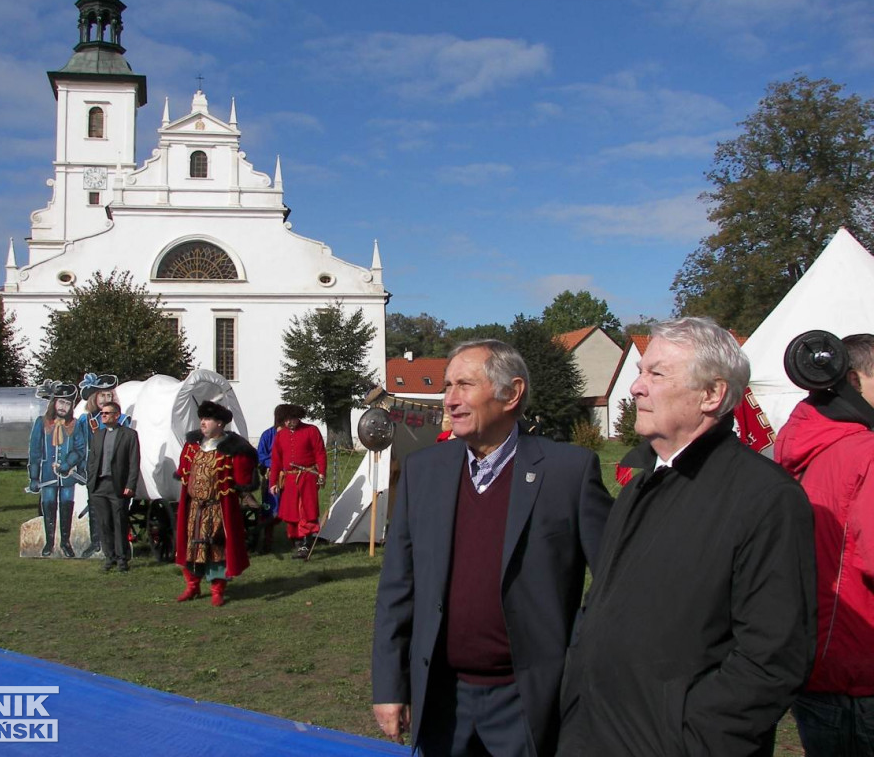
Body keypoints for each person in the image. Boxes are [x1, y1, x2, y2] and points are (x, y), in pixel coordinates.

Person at [557, 317, 817, 757]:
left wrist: (692, 737)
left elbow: (773, 658)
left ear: (712, 394)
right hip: (593, 735)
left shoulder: (766, 497)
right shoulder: (641, 484)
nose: (637, 388)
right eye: (640, 372)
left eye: (655, 373)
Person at [372, 339, 613, 757]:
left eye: (464, 385)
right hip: (443, 699)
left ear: (511, 393)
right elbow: (398, 587)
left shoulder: (567, 472)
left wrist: (575, 650)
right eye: (447, 386)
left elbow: (618, 578)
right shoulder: (423, 471)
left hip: (527, 700)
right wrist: (390, 685)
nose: (450, 400)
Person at [775, 333, 874, 756]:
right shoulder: (866, 452)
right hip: (860, 672)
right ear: (853, 378)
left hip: (811, 662)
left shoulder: (799, 443)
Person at [174, 401, 257, 606]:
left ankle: (217, 589)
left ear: (220, 423)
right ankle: (192, 586)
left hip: (218, 509)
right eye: (202, 419)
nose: (203, 423)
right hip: (193, 508)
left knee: (216, 549)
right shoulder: (192, 445)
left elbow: (244, 479)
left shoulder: (232, 450)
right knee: (190, 547)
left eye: (208, 419)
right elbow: (183, 472)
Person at [28, 381, 86, 558]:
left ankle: (65, 542)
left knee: (67, 505)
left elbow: (80, 449)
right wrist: (33, 477)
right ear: (54, 403)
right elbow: (35, 451)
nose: (63, 407)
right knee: (49, 505)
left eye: (67, 403)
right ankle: (50, 542)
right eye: (61, 402)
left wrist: (68, 464)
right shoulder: (41, 422)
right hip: (47, 475)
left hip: (67, 477)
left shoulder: (75, 425)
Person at [77, 372, 131, 558]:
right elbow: (81, 444)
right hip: (94, 473)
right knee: (96, 511)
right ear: (95, 397)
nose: (106, 398)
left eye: (110, 395)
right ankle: (97, 542)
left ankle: (120, 554)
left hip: (114, 475)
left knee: (117, 517)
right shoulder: (86, 420)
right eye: (103, 395)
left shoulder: (123, 422)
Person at [85, 401, 141, 573]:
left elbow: (134, 462)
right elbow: (92, 460)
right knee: (104, 523)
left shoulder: (129, 435)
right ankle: (109, 557)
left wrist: (130, 484)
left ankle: (122, 559)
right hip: (98, 486)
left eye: (107, 413)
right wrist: (90, 482)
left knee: (119, 522)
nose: (103, 416)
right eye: (102, 413)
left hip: (117, 485)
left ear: (117, 415)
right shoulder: (97, 435)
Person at [268, 404, 327, 559]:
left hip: (307, 477)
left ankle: (306, 542)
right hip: (289, 479)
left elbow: (320, 453)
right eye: (285, 420)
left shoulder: (311, 430)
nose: (288, 423)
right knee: (291, 511)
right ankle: (296, 541)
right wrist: (273, 482)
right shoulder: (280, 436)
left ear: (297, 417)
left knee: (306, 510)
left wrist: (321, 474)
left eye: (291, 419)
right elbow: (276, 460)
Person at [253, 406, 285, 554]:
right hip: (271, 477)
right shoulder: (268, 435)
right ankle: (267, 542)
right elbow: (261, 455)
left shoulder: (294, 435)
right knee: (269, 510)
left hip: (290, 477)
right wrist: (275, 465)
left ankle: (298, 540)